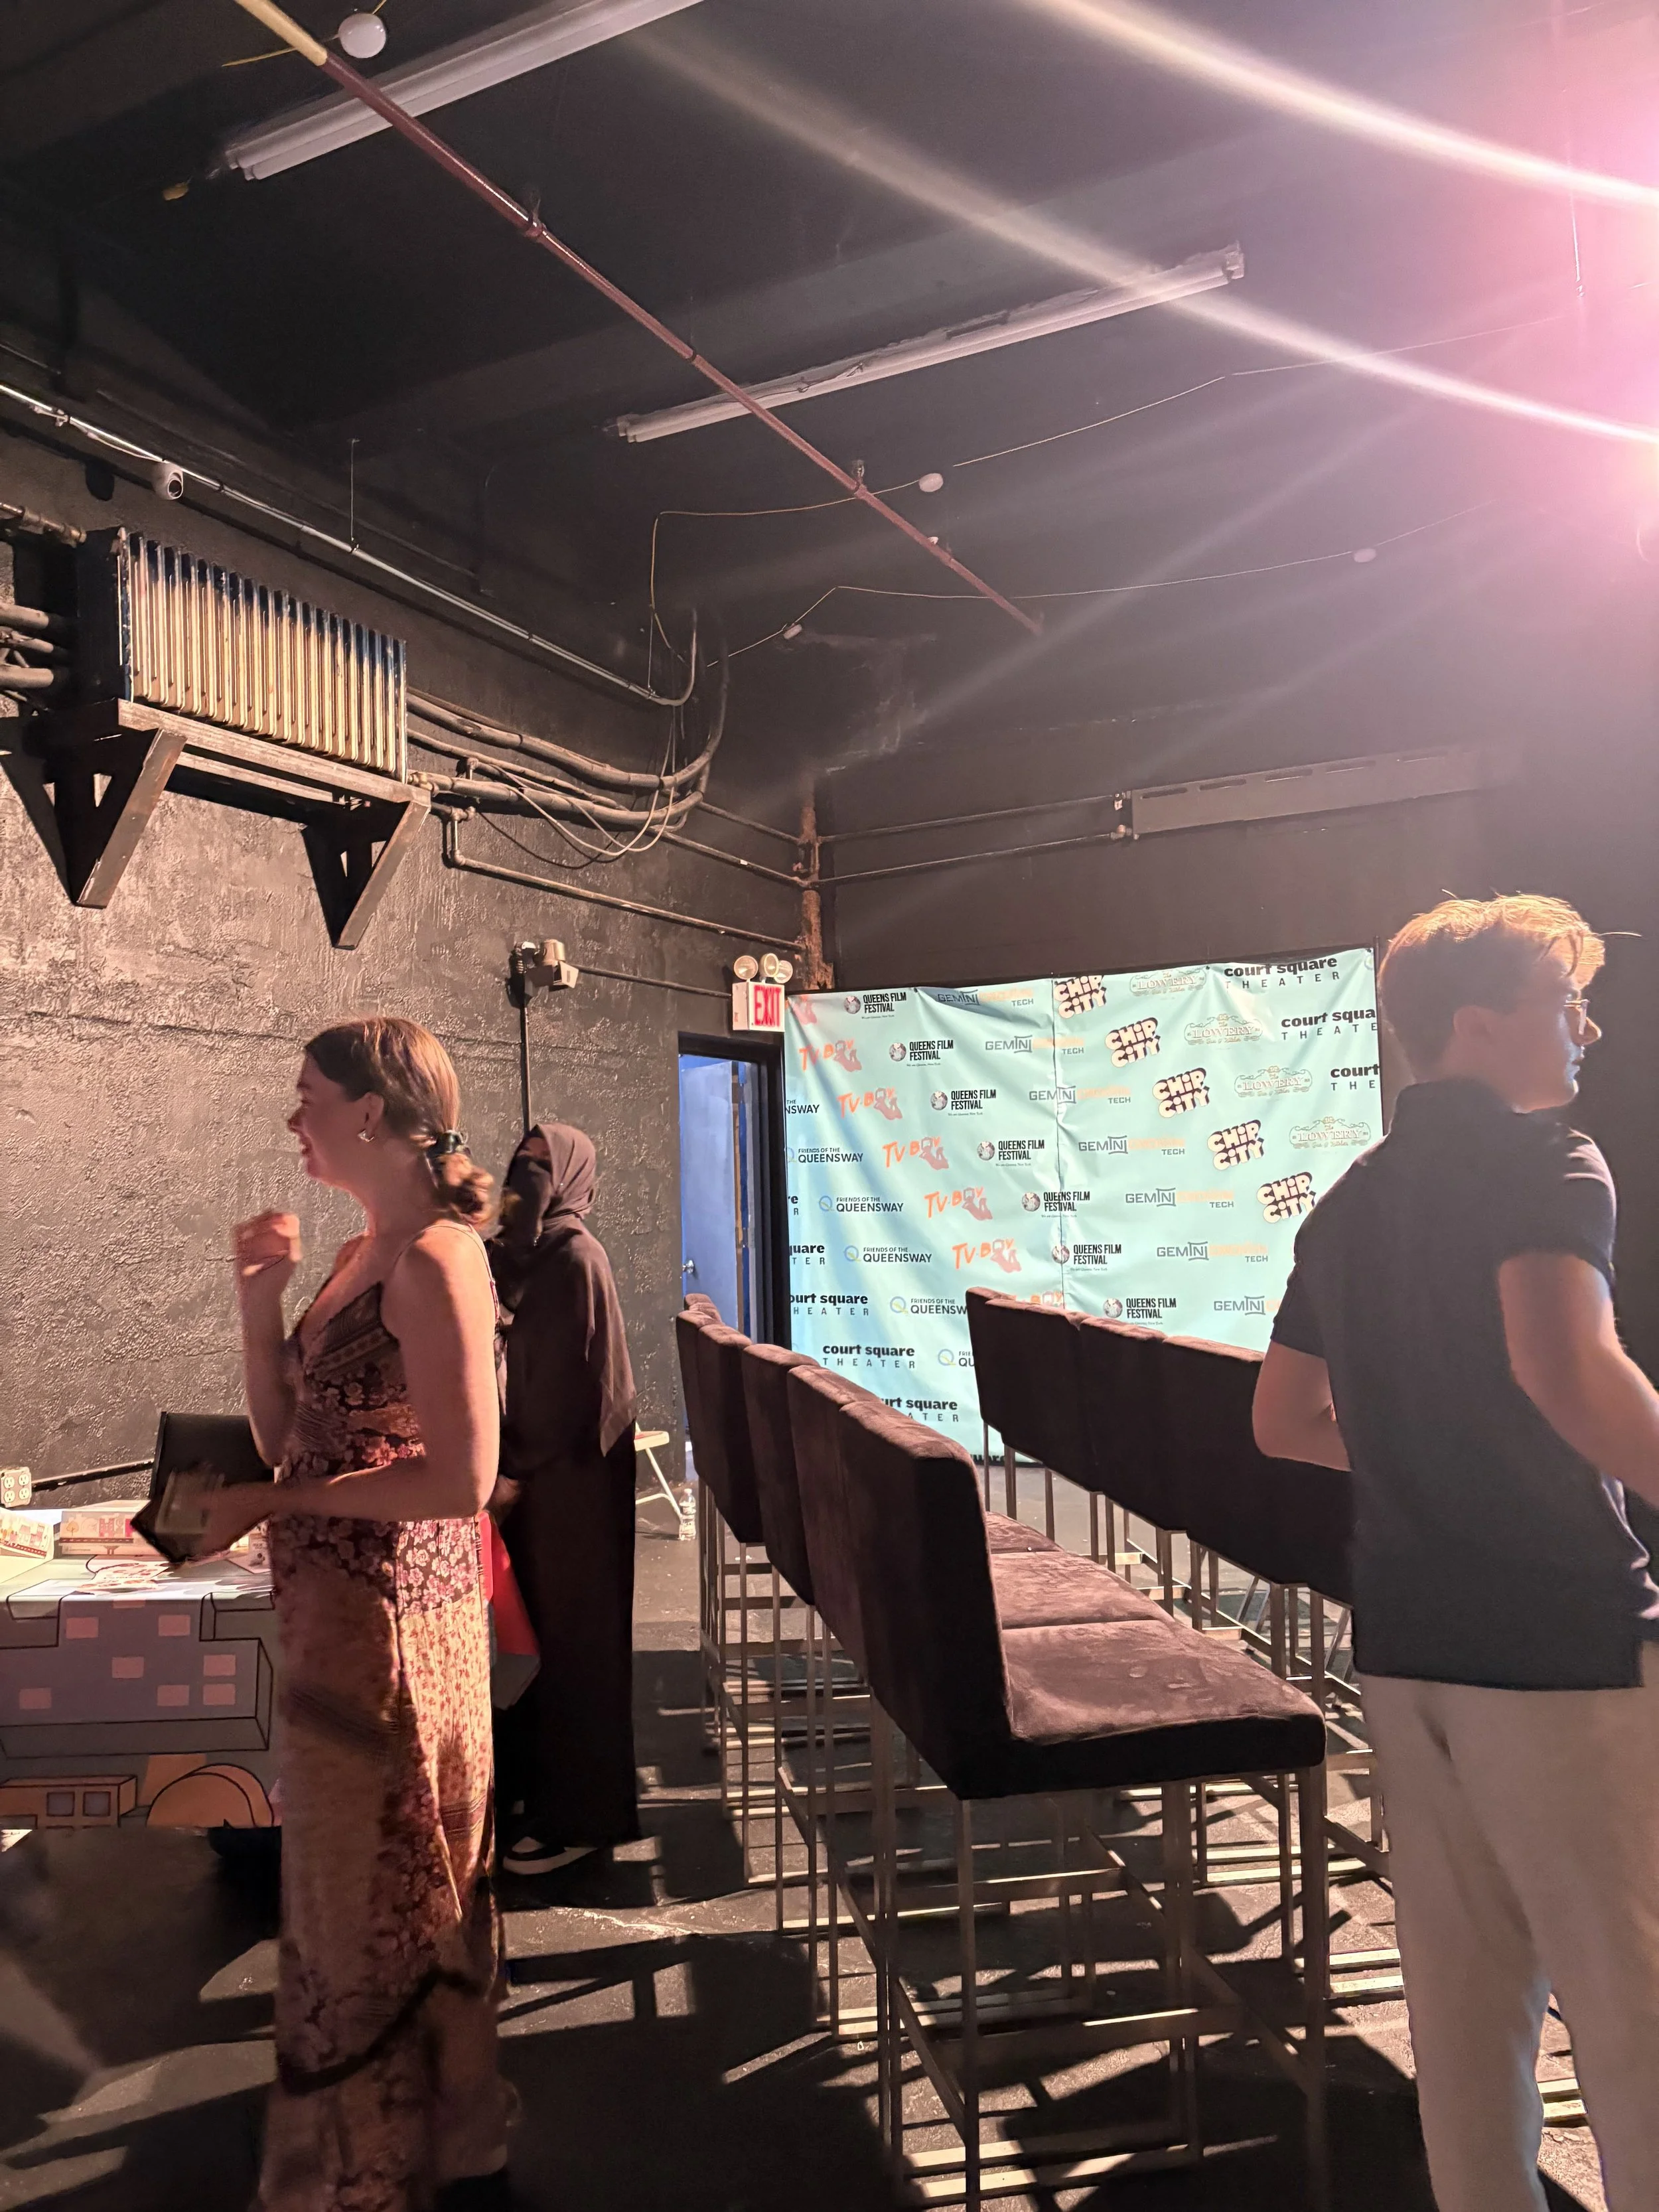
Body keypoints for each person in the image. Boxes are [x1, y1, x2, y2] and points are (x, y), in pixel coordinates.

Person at [1252, 895, 1659, 2212]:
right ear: (1480, 1026)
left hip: (1405, 1645)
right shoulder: (1548, 1161)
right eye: (1563, 1002)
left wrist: (1422, 1442)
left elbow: (1282, 1419)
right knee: (1634, 2015)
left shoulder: (1348, 1202)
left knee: (1466, 2014)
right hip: (1558, 1648)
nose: (1586, 1027)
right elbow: (1567, 1368)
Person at [204, 1016, 511, 2212]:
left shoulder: (435, 1258)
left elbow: (463, 1479)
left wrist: (275, 1500)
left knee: (387, 1892)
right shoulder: (359, 1253)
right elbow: (293, 1436)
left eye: (309, 1097)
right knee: (351, 1897)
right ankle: (398, 2149)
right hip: (340, 1621)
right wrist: (258, 1305)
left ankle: (387, 2161)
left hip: (396, 1629)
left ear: (371, 1112)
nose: (295, 1119)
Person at [488, 1124, 639, 1879]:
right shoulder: (521, 1255)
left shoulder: (576, 1256)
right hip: (533, 1478)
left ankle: (581, 1815)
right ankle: (532, 1793)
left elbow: (567, 1389)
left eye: (546, 1165)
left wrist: (513, 1471)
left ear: (575, 1176)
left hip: (572, 1485)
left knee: (577, 1644)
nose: (529, 1173)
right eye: (523, 1159)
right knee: (534, 1637)